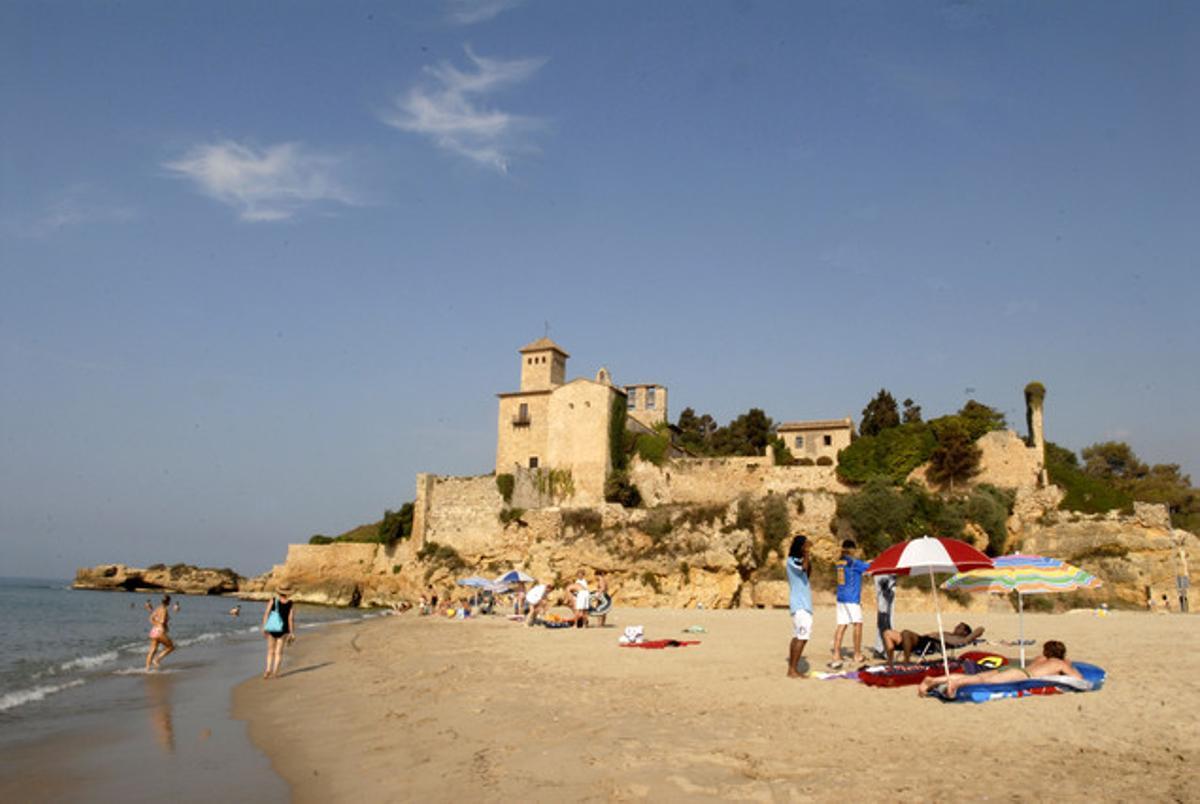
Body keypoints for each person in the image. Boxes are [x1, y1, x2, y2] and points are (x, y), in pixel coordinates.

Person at [918, 639, 1082, 698]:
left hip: (1010, 668)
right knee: (980, 680)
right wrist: (1067, 663)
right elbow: (1079, 679)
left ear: (1046, 651)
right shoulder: (1060, 664)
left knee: (980, 677)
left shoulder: (1041, 659)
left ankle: (935, 680)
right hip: (1020, 674)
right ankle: (956, 685)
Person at [829, 539, 871, 667]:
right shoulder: (854, 563)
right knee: (857, 624)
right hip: (851, 598)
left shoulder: (840, 562)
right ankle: (857, 654)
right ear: (852, 549)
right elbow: (869, 567)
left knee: (841, 625)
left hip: (841, 597)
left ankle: (836, 653)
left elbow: (860, 567)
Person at [882, 622, 978, 666]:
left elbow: (980, 630)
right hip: (922, 639)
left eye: (960, 627)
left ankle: (906, 661)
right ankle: (890, 662)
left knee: (906, 632)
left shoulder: (959, 639)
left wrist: (970, 636)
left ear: (965, 632)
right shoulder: (949, 633)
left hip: (926, 644)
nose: (956, 627)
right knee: (887, 633)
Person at [786, 535, 813, 678]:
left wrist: (807, 556)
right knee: (802, 636)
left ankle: (792, 668)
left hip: (804, 604)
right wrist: (807, 553)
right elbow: (803, 568)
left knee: (798, 636)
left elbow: (807, 573)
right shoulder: (791, 561)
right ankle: (792, 670)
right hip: (800, 604)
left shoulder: (800, 560)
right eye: (805, 545)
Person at [261, 589, 295, 679]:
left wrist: (264, 627)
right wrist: (292, 632)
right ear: (288, 593)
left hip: (272, 628)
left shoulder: (273, 600)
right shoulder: (290, 603)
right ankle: (275, 672)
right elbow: (290, 618)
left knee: (270, 651)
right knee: (279, 652)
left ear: (279, 592)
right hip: (283, 630)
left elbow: (266, 614)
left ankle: (268, 670)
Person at [145, 594, 176, 671]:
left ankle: (147, 669)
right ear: (168, 602)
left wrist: (155, 624)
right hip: (160, 631)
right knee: (171, 647)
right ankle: (157, 659)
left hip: (153, 631)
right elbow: (162, 621)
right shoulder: (165, 610)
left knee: (152, 650)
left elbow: (150, 618)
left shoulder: (157, 608)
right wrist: (163, 625)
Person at [872, 573, 896, 659]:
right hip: (885, 575)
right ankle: (886, 649)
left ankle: (879, 648)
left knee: (884, 616)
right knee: (886, 618)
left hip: (885, 575)